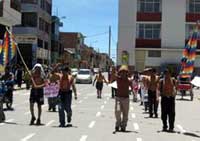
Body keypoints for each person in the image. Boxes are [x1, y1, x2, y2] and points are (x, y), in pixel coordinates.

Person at [115, 65, 133, 132]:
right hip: (118, 99)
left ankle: (123, 126)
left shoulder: (129, 80)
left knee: (125, 113)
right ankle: (117, 124)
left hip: (126, 99)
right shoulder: (118, 79)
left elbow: (132, 87)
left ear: (126, 73)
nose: (123, 74)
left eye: (125, 72)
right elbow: (113, 74)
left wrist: (133, 92)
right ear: (120, 73)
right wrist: (115, 69)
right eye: (122, 72)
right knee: (117, 112)